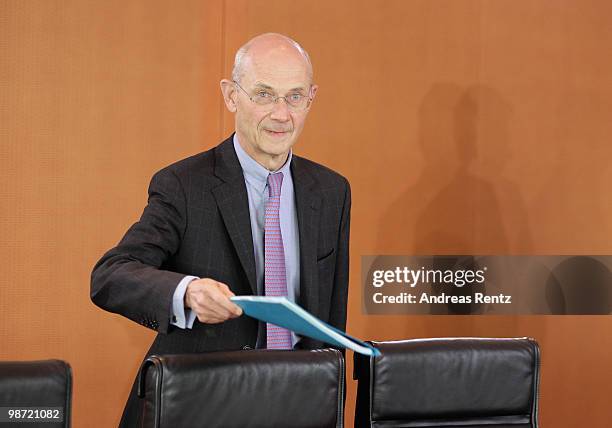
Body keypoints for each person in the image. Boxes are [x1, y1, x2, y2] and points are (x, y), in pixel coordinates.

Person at [90, 33, 351, 426]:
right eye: (264, 94)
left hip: (300, 403)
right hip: (203, 404)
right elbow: (110, 275)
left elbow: (331, 319)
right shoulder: (183, 184)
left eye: (295, 96)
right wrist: (187, 292)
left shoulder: (332, 191)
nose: (282, 114)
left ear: (311, 98)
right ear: (231, 96)